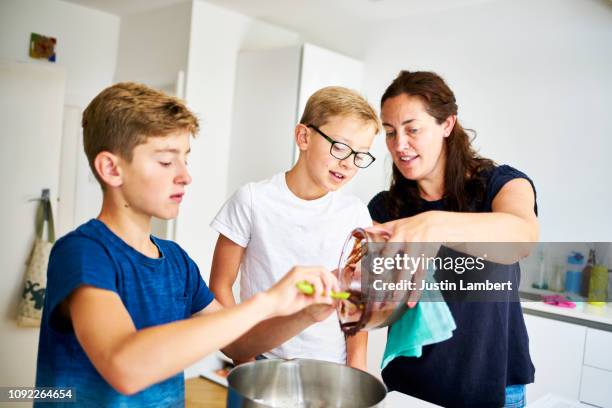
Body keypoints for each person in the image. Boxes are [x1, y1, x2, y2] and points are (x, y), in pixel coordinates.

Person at [35, 82, 339, 407]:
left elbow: (238, 346)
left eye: (185, 159)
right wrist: (266, 302)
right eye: (166, 162)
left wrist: (307, 313)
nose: (184, 176)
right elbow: (124, 366)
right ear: (111, 168)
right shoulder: (83, 252)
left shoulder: (177, 262)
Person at [368, 71, 539, 407]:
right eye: (390, 133)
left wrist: (431, 226)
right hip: (408, 391)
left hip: (496, 389)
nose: (399, 145)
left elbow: (522, 238)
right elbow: (377, 311)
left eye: (412, 129)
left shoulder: (501, 185)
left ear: (447, 124)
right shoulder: (385, 209)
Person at [209, 86, 380, 369]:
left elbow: (356, 299)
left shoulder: (354, 213)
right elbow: (220, 286)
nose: (348, 164)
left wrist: (358, 369)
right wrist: (245, 355)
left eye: (360, 155)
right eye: (340, 147)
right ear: (303, 137)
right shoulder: (252, 200)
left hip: (330, 365)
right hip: (262, 360)